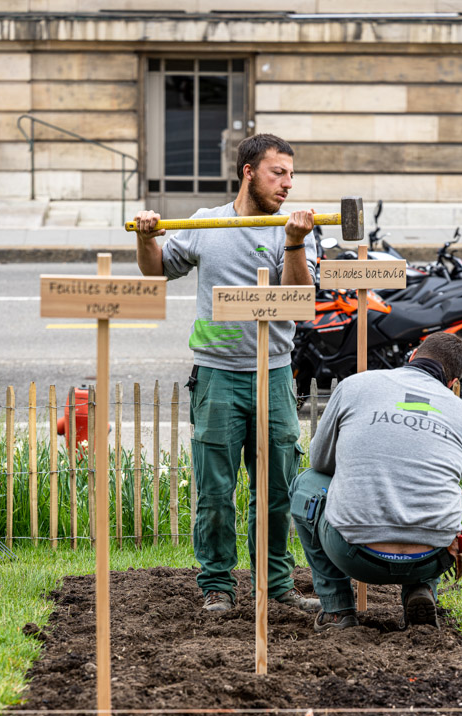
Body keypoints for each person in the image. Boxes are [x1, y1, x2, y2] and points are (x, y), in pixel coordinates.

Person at [133, 133, 321, 614]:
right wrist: (146, 236)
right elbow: (157, 271)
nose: (288, 185)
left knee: (277, 489)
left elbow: (300, 303)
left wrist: (295, 242)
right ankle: (217, 584)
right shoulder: (205, 224)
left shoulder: (293, 227)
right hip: (216, 376)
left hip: (275, 376)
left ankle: (275, 584)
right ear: (249, 172)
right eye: (278, 173)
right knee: (214, 493)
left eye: (292, 175)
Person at [289, 332, 462, 631]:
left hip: (354, 554)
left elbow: (320, 462)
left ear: (412, 354)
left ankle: (337, 609)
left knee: (305, 484)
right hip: (431, 556)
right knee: (433, 492)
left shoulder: (356, 385)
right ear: (453, 383)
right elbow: (451, 477)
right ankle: (422, 589)